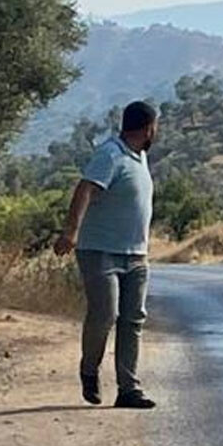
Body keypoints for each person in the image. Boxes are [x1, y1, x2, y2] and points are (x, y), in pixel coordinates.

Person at [54, 101, 158, 409]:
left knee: (133, 319)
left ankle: (128, 389)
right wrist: (71, 232)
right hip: (100, 251)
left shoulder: (140, 157)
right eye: (156, 127)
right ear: (148, 128)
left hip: (137, 254)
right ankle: (89, 370)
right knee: (105, 315)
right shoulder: (110, 154)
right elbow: (85, 189)